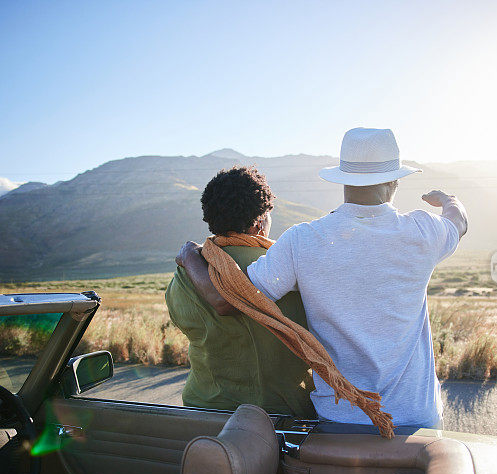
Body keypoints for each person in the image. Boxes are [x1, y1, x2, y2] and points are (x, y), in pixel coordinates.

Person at [178, 128, 467, 428]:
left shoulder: (302, 240)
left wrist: (190, 256)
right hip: (417, 418)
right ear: (394, 181)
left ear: (342, 179)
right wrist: (449, 200)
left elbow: (230, 299)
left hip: (340, 417)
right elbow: (459, 222)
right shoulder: (423, 231)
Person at [167, 166, 316, 418]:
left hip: (203, 412)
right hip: (283, 416)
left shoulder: (184, 274)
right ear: (259, 222)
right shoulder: (282, 268)